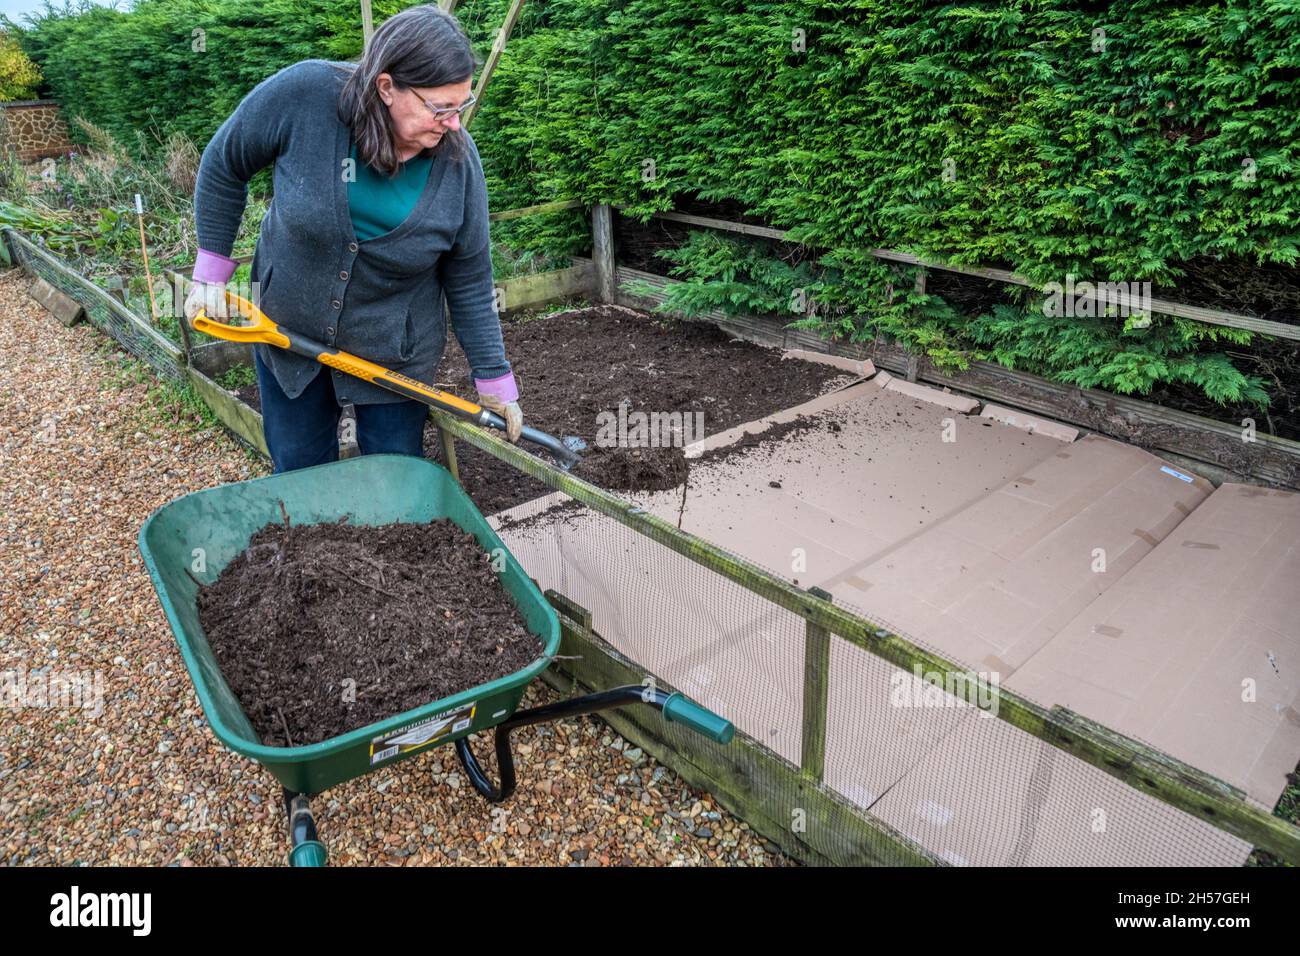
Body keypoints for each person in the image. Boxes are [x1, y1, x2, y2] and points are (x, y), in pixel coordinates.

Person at [186, 5, 523, 473]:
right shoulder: (306, 96)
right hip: (288, 333)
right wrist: (209, 279)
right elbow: (225, 163)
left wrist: (494, 379)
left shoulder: (458, 165)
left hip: (393, 355)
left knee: (392, 480)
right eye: (441, 108)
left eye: (461, 106)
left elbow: (468, 275)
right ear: (387, 88)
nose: (455, 124)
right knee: (301, 474)